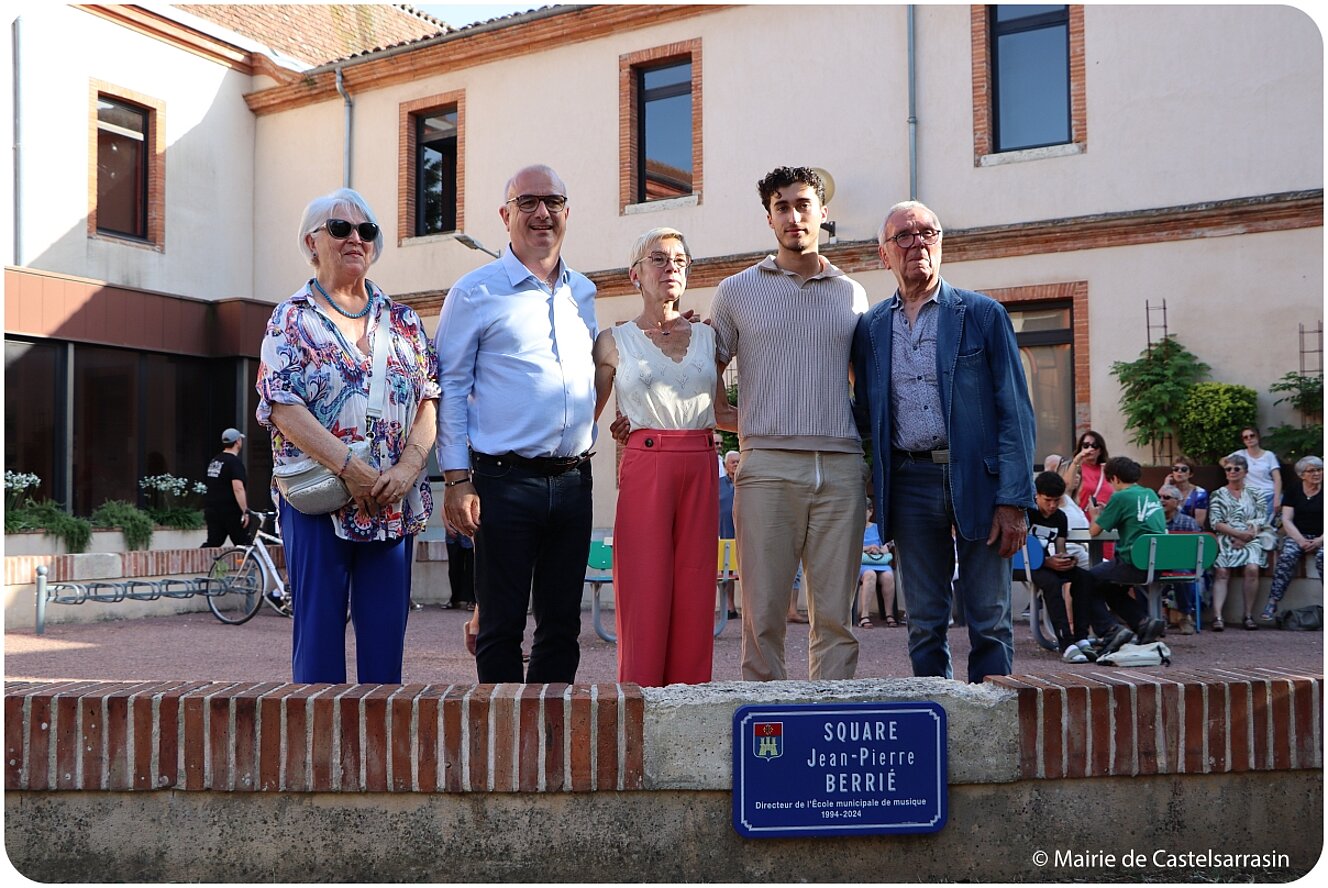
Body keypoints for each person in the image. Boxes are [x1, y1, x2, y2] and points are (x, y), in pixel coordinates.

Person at [257, 187, 439, 684]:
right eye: (340, 228)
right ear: (312, 242)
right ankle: (317, 759)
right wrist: (350, 468)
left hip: (391, 502)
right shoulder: (290, 318)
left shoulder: (402, 321)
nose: (355, 238)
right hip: (320, 502)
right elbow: (280, 406)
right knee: (317, 649)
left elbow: (428, 399)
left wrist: (407, 469)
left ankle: (379, 759)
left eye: (366, 230)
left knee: (386, 651)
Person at [852, 200, 1036, 683]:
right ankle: (939, 722)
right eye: (904, 237)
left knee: (990, 619)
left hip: (978, 478)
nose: (918, 244)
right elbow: (865, 415)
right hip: (910, 481)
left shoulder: (982, 314)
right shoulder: (870, 328)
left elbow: (1015, 412)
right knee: (924, 622)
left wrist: (1014, 499)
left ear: (941, 242)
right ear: (882, 254)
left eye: (927, 233)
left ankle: (992, 727)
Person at [436, 165, 596, 684]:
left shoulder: (585, 294)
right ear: (505, 216)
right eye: (527, 202)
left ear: (567, 212)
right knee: (501, 625)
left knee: (561, 627)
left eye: (552, 201)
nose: (541, 213)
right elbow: (451, 390)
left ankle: (548, 749)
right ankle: (502, 753)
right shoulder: (474, 292)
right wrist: (457, 479)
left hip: (575, 482)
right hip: (503, 482)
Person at [709, 166, 869, 682]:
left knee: (836, 619)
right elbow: (706, 362)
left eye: (803, 204)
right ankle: (767, 740)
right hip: (767, 467)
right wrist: (728, 418)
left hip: (842, 469)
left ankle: (830, 728)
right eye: (782, 206)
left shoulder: (852, 294)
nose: (794, 216)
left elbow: (860, 380)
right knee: (763, 617)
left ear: (822, 213)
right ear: (769, 217)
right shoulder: (736, 290)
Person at [591, 227, 735, 686]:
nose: (671, 267)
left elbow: (722, 412)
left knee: (695, 592)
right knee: (644, 593)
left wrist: (783, 424)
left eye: (679, 260)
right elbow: (584, 414)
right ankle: (639, 705)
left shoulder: (710, 339)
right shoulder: (612, 341)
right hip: (645, 464)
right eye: (658, 259)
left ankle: (690, 708)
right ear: (635, 274)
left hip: (701, 462)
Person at [1084, 456, 1168, 647]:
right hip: (1157, 562)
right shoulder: (1150, 494)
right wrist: (1110, 513)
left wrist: (1095, 515)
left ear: (1114, 478)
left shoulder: (1120, 496)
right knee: (1111, 589)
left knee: (1085, 581)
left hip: (1133, 561)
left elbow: (1094, 531)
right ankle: (1143, 623)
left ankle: (1109, 630)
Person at [1026, 472, 1094, 659]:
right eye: (1048, 500)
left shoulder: (1060, 517)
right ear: (1037, 495)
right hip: (1024, 564)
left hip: (1045, 564)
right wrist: (1048, 562)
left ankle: (1081, 637)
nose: (1052, 505)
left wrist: (1066, 560)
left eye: (1057, 500)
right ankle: (1066, 642)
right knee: (1052, 583)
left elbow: (1060, 548)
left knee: (1085, 577)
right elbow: (1019, 550)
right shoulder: (1026, 512)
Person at [1209, 453, 1272, 631]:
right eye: (1228, 469)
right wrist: (1237, 534)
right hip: (1227, 535)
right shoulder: (1218, 494)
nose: (1232, 472)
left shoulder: (1255, 493)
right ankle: (1218, 617)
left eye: (1237, 469)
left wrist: (1246, 536)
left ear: (1245, 472)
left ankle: (1248, 615)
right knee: (1221, 571)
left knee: (1252, 568)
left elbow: (1261, 518)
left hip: (1251, 536)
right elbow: (1216, 522)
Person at [1261, 455, 1324, 623]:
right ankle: (1273, 601)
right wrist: (1300, 540)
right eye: (1312, 471)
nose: (1317, 474)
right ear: (1302, 474)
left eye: (1320, 470)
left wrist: (1320, 540)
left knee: (1323, 557)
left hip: (1323, 536)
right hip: (1298, 535)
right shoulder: (1293, 490)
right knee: (1287, 556)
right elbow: (1287, 520)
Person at [1158, 482, 1202, 635]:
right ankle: (1152, 618)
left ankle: (1185, 616)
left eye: (1166, 497)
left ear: (1177, 502)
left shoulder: (1188, 523)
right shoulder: (1152, 522)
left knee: (1181, 572)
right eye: (1159, 497)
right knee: (1141, 574)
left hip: (1181, 564)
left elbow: (1195, 550)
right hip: (1156, 563)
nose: (1161, 500)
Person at [202, 428, 251, 547]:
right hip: (231, 511)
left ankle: (201, 565)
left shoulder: (215, 461)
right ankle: (250, 565)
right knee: (245, 545)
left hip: (212, 510)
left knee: (213, 544)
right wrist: (245, 511)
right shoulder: (234, 462)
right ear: (238, 441)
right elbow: (238, 488)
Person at [857, 503, 898, 628]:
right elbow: (850, 547)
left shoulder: (877, 528)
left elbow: (886, 548)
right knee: (870, 575)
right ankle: (864, 615)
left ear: (870, 511)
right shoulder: (855, 529)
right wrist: (867, 548)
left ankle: (889, 614)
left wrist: (878, 549)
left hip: (879, 561)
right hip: (862, 563)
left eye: (865, 510)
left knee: (888, 576)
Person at [1231, 426, 1282, 523]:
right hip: (1249, 496)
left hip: (1269, 494)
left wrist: (1277, 498)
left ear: (1257, 437)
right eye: (1245, 437)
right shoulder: (1240, 454)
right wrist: (1234, 467)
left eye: (1252, 435)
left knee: (1263, 524)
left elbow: (1277, 478)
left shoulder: (1269, 455)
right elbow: (1223, 461)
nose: (1249, 439)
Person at [719, 449, 740, 619]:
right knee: (726, 572)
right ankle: (729, 607)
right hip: (724, 533)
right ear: (726, 465)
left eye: (739, 461)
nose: (736, 464)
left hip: (744, 533)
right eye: (733, 462)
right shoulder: (717, 483)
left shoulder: (748, 483)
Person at [1167, 455, 1209, 528]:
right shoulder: (1167, 491)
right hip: (1170, 531)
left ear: (1190, 474)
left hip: (1192, 532)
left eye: (1184, 469)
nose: (1179, 471)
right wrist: (1166, 485)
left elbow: (1199, 523)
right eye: (1176, 469)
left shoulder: (1200, 493)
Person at [442, 521, 475, 610]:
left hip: (470, 531)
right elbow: (444, 509)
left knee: (471, 568)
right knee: (454, 568)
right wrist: (447, 527)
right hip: (453, 532)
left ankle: (472, 600)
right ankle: (455, 599)